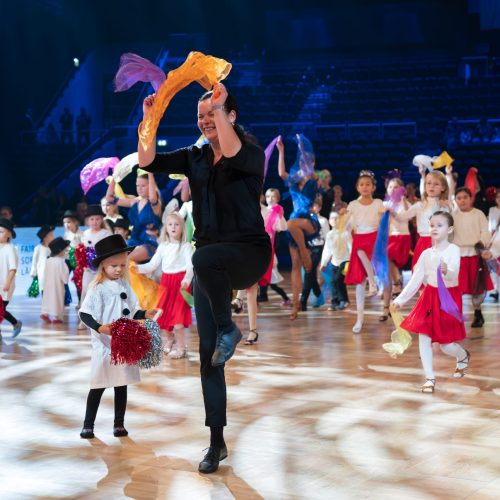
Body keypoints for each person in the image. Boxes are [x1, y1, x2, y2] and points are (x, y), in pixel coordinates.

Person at [138, 83, 272, 474]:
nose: (205, 120)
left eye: (213, 112)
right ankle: (216, 443)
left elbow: (230, 149)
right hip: (210, 266)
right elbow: (148, 160)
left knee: (203, 257)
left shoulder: (249, 154)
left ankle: (230, 328)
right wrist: (150, 119)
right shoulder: (194, 157)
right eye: (200, 115)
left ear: (231, 115)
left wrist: (219, 102)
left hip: (247, 254)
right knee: (209, 357)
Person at [78, 234, 161, 439]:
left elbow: (132, 310)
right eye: (113, 266)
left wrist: (145, 314)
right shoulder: (98, 288)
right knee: (98, 384)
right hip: (105, 346)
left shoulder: (125, 285)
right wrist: (100, 328)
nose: (118, 269)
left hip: (124, 343)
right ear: (103, 265)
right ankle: (88, 425)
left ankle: (119, 424)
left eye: (122, 265)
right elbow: (85, 313)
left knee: (121, 384)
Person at [393, 212, 469, 394]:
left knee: (446, 345)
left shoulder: (453, 249)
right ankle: (429, 378)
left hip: (448, 299)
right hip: (429, 298)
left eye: (439, 225)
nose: (434, 228)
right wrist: (400, 300)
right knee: (424, 336)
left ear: (449, 229)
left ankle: (462, 355)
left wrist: (447, 271)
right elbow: (416, 279)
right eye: (432, 225)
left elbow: (455, 274)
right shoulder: (425, 254)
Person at [136, 213, 193, 359]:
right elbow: (152, 265)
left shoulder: (185, 246)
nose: (173, 227)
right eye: (170, 224)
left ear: (182, 228)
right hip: (166, 284)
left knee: (178, 320)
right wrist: (136, 268)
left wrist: (187, 280)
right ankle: (169, 339)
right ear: (166, 228)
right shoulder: (163, 246)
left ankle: (181, 348)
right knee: (163, 316)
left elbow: (190, 267)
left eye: (177, 224)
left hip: (181, 284)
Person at [276, 134, 319, 320]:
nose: (303, 163)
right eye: (301, 160)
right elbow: (281, 174)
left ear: (313, 163)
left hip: (308, 221)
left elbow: (312, 173)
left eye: (307, 161)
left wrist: (302, 147)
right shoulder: (293, 179)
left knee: (291, 223)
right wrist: (281, 150)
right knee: (295, 265)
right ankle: (295, 305)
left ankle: (305, 252)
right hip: (295, 222)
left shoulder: (314, 178)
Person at [343, 171, 384, 333]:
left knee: (368, 260)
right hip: (359, 238)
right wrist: (342, 216)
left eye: (368, 184)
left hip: (374, 239)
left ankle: (374, 284)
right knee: (360, 282)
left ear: (373, 187)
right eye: (362, 184)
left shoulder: (378, 203)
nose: (365, 187)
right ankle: (359, 319)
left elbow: (384, 223)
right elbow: (345, 226)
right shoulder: (353, 204)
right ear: (357, 187)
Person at [452, 187, 492, 328]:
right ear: (455, 200)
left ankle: (478, 313)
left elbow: (485, 231)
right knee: (457, 287)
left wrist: (481, 243)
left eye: (465, 197)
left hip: (475, 255)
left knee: (477, 287)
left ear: (471, 199)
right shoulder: (453, 216)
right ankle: (456, 315)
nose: (462, 200)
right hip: (458, 257)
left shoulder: (478, 214)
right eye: (459, 198)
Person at [106, 173, 162, 262]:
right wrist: (114, 177)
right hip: (133, 240)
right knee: (113, 256)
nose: (139, 188)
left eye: (143, 186)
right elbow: (109, 198)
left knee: (124, 260)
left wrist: (150, 173)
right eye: (137, 185)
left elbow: (152, 198)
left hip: (149, 243)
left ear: (150, 186)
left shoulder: (155, 205)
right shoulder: (134, 202)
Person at [381, 177, 411, 319]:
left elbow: (406, 216)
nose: (393, 189)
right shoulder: (384, 203)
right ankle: (396, 285)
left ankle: (397, 284)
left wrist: (403, 200)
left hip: (402, 237)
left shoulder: (405, 203)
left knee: (390, 258)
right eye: (390, 187)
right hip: (389, 237)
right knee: (387, 262)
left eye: (396, 187)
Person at [300, 196, 329, 311]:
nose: (312, 208)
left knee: (309, 272)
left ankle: (303, 301)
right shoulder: (305, 219)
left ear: (319, 207)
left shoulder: (323, 221)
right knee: (310, 274)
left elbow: (327, 238)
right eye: (310, 206)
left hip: (318, 249)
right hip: (307, 249)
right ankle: (319, 297)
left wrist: (325, 256)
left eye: (315, 206)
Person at [320, 211, 351, 311]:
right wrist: (324, 263)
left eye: (336, 218)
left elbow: (351, 247)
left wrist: (352, 261)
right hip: (334, 262)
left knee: (338, 280)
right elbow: (327, 250)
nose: (334, 220)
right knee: (333, 281)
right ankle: (335, 301)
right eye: (332, 218)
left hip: (345, 261)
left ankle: (344, 300)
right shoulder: (329, 234)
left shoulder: (345, 233)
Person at [0, 218, 21, 338]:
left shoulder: (10, 248)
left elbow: (13, 268)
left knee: (0, 310)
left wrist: (7, 283)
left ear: (9, 234)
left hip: (5, 285)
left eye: (1, 232)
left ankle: (16, 323)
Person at [41, 238, 70, 323]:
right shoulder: (61, 262)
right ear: (60, 251)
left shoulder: (48, 260)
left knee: (47, 298)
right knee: (57, 300)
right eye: (65, 249)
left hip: (47, 285)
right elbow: (65, 278)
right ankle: (57, 317)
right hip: (58, 286)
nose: (66, 250)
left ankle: (45, 313)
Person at [30, 225, 55, 315]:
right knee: (44, 290)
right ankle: (45, 310)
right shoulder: (38, 248)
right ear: (45, 237)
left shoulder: (54, 248)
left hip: (52, 273)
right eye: (51, 235)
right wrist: (34, 272)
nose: (53, 237)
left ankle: (52, 308)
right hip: (42, 273)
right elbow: (35, 261)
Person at [488, 188, 500, 301]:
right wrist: (489, 240)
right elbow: (490, 226)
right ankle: (495, 289)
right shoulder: (492, 210)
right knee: (494, 265)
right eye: (498, 197)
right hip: (495, 239)